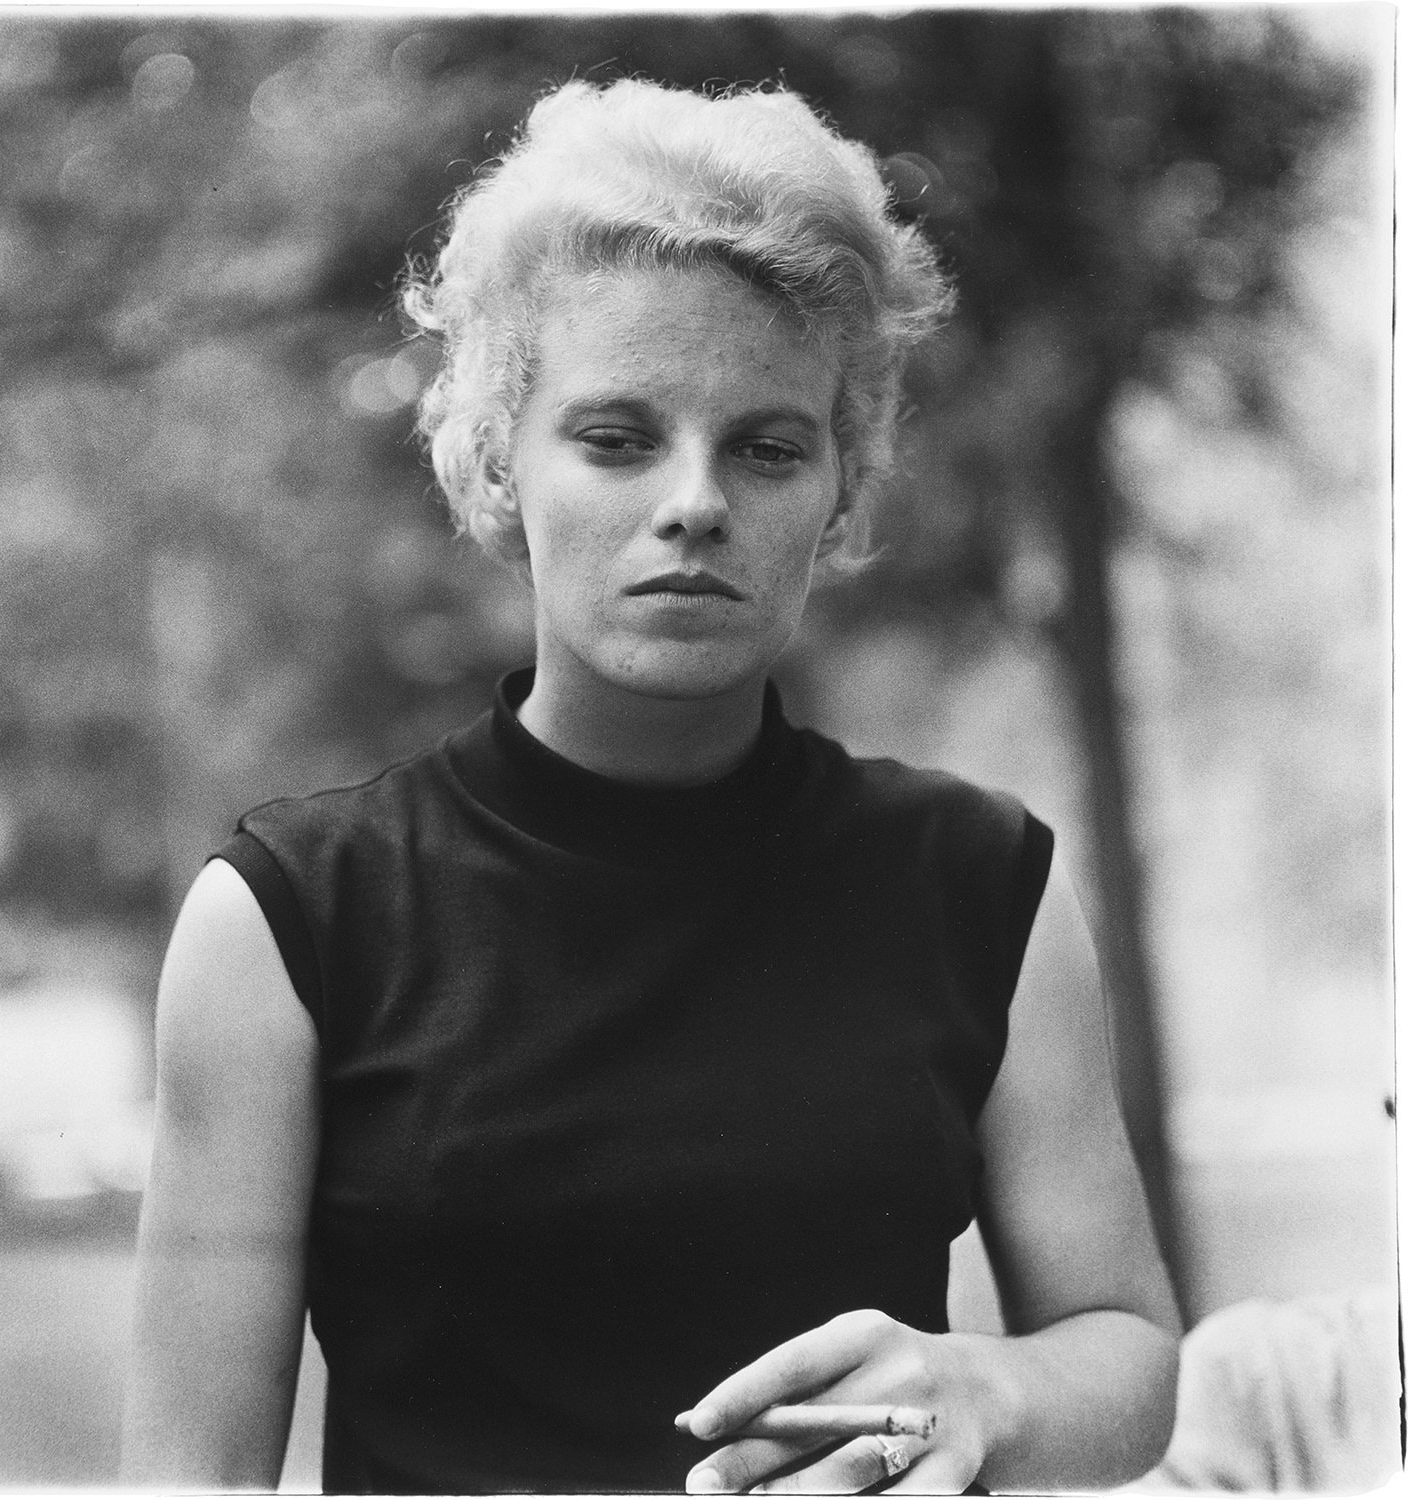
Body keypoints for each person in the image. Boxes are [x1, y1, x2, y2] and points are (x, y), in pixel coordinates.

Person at [121, 79, 1180, 1495]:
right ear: (501, 465)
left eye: (767, 445)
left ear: (844, 491)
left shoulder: (984, 885)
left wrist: (985, 1393)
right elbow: (189, 1479)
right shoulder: (289, 923)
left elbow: (1127, 1352)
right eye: (617, 438)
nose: (696, 502)